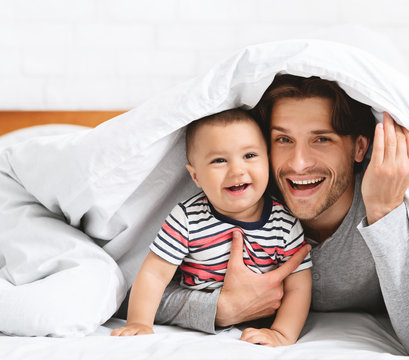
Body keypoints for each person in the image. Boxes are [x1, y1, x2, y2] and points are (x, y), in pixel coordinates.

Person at [153, 75, 409, 355]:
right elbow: (140, 295)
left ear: (359, 147)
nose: (298, 163)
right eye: (283, 140)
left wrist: (383, 213)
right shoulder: (240, 202)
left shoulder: (389, 203)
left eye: (321, 139)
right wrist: (221, 309)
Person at [112, 108, 312, 347]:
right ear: (195, 176)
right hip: (199, 321)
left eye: (249, 155)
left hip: (260, 321)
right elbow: (155, 274)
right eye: (219, 160)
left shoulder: (284, 222)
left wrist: (281, 333)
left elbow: (299, 286)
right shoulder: (186, 218)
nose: (237, 170)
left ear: (268, 160)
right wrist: (140, 322)